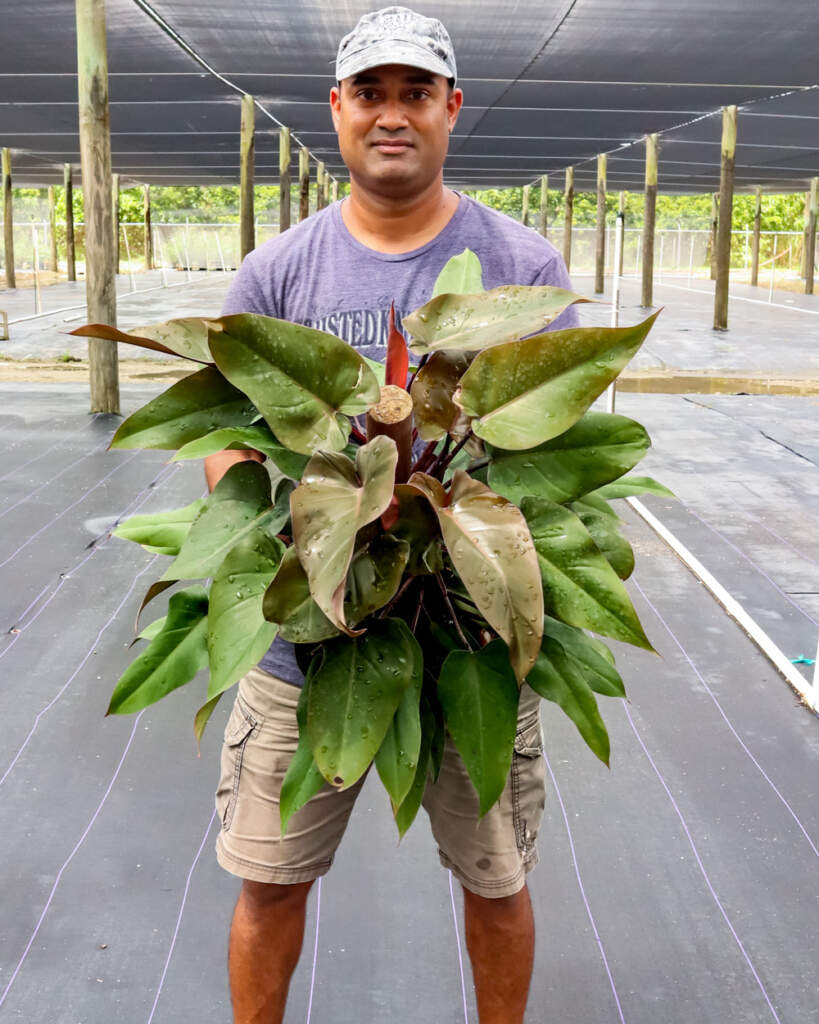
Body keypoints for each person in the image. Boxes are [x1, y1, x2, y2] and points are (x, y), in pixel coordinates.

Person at [205, 8, 579, 1023]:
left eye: (417, 92)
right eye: (371, 92)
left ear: (451, 107)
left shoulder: (524, 269)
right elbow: (229, 447)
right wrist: (308, 533)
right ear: (338, 109)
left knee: (496, 880)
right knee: (269, 877)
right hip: (312, 642)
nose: (393, 114)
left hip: (471, 636)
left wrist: (459, 537)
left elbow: (561, 458)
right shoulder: (277, 274)